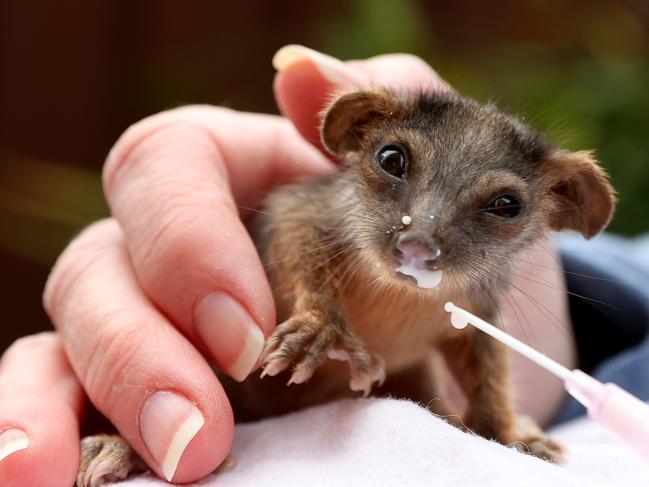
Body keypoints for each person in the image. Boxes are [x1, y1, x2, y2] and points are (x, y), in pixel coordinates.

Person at [0, 46, 577, 486]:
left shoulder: (481, 281)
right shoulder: (327, 217)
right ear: (357, 125)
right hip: (237, 375)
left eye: (502, 206)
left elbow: (473, 340)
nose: (422, 234)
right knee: (183, 338)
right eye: (395, 161)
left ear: (559, 203)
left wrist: (495, 425)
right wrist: (318, 310)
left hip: (357, 401)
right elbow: (292, 218)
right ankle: (131, 429)